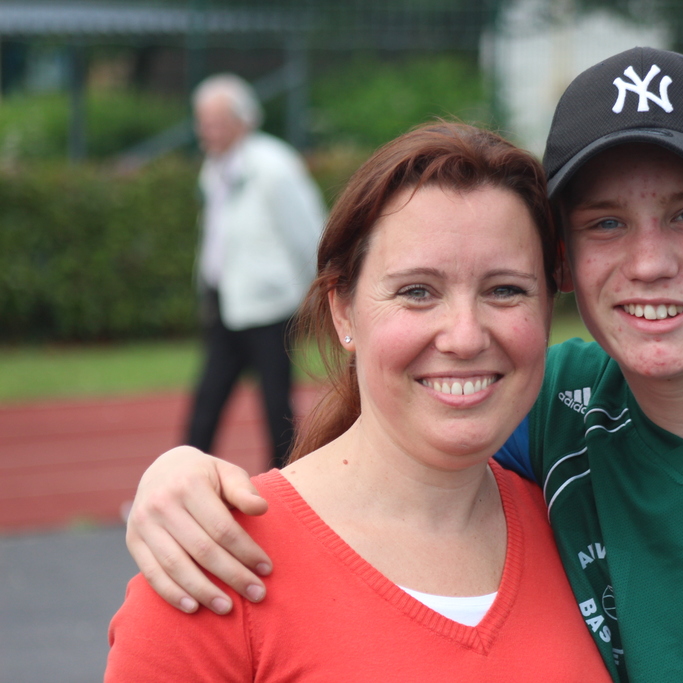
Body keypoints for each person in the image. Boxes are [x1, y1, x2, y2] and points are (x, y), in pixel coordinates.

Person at [121, 49, 683, 682]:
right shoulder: (555, 411)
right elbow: (393, 442)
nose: (647, 261)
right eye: (604, 223)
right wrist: (179, 474)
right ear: (568, 262)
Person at [105, 123, 612, 681]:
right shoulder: (211, 566)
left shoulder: (581, 531)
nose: (465, 336)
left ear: (547, 309)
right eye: (417, 291)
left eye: (506, 290)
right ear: (343, 310)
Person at [186, 73, 326, 470]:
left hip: (269, 306)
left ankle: (285, 482)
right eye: (203, 121)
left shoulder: (274, 166)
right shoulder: (214, 167)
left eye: (216, 122)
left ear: (242, 120)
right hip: (225, 301)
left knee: (276, 403)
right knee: (208, 398)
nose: (207, 131)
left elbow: (307, 232)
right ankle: (184, 479)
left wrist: (310, 292)